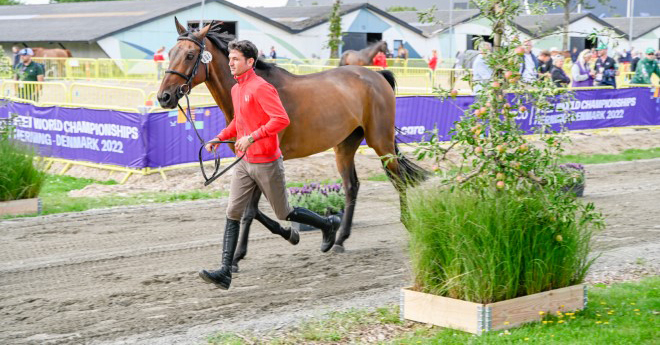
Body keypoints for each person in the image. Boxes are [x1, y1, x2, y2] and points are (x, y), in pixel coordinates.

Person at [198, 40, 341, 290]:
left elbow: (281, 119)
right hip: (244, 163)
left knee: (283, 212)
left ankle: (328, 224)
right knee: (233, 211)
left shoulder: (262, 88)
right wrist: (220, 138)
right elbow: (238, 121)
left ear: (250, 62)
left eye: (236, 59)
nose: (230, 63)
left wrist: (252, 136)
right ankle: (225, 272)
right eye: (229, 59)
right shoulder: (236, 89)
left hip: (267, 162)